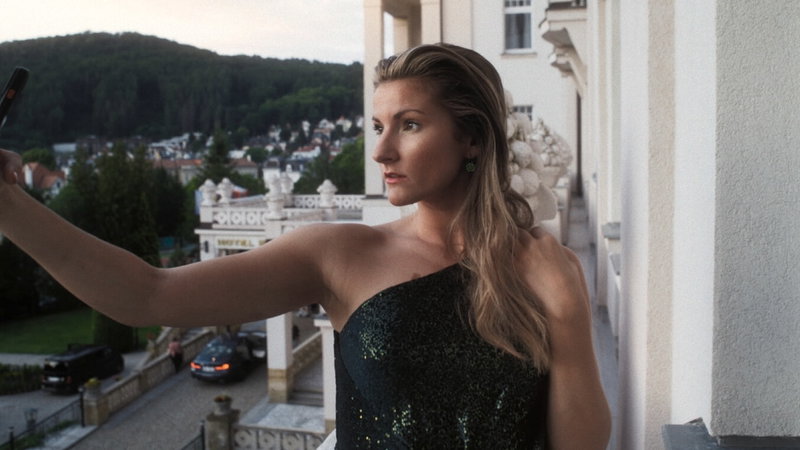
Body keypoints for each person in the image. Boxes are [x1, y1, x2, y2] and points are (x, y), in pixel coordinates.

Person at [0, 43, 610, 448]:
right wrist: (10, 207)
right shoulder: (340, 255)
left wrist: (568, 314)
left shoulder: (545, 270)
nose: (381, 151)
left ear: (472, 138)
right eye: (378, 126)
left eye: (410, 124)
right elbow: (147, 294)